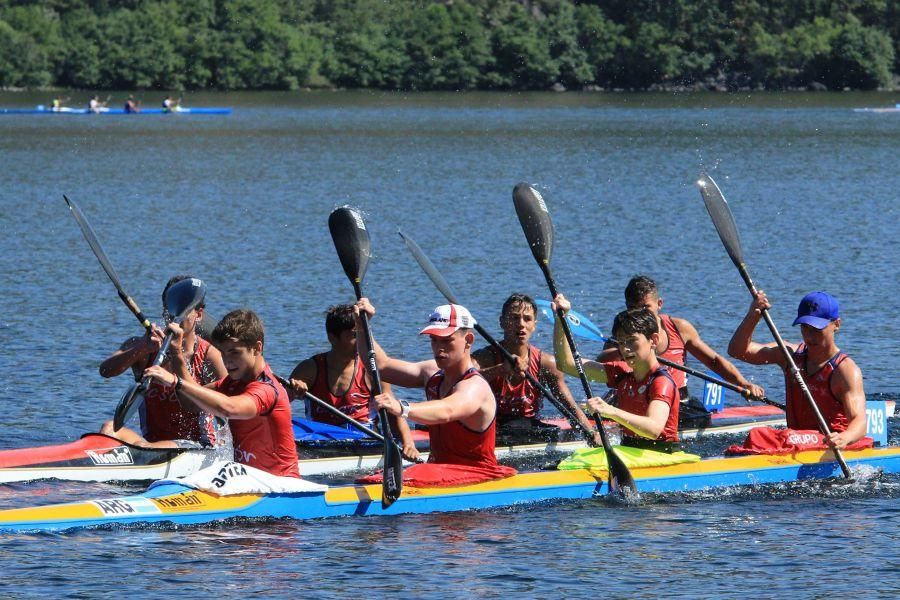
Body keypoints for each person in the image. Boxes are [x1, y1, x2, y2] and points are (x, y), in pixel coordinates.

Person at [355, 300, 516, 486]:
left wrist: (401, 407)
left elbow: (447, 410)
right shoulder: (432, 372)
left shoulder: (475, 387)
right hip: (439, 470)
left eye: (447, 341)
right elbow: (380, 366)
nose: (439, 348)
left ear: (468, 341)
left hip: (478, 474)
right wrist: (362, 326)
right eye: (434, 340)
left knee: (385, 479)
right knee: (374, 478)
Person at [145, 309, 300, 477]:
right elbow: (191, 402)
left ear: (257, 348)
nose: (227, 361)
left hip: (281, 486)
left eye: (234, 352)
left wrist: (175, 381)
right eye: (223, 353)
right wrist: (176, 353)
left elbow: (229, 408)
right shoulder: (233, 383)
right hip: (248, 482)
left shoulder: (266, 390)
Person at [727, 291, 868, 451]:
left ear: (836, 324)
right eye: (805, 328)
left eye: (817, 329)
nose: (809, 336)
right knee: (762, 437)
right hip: (797, 439)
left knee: (759, 435)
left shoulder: (845, 370)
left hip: (833, 442)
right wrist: (753, 316)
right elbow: (737, 351)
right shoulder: (789, 355)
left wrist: (845, 437)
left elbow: (860, 422)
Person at [98, 275, 227, 448]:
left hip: (196, 446)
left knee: (144, 448)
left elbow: (229, 405)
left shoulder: (210, 356)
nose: (175, 319)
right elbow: (106, 371)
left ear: (199, 314)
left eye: (183, 313)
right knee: (108, 429)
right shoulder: (146, 347)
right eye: (170, 311)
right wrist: (141, 348)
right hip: (151, 444)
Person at [598, 275, 765, 405]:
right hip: (634, 399)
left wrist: (743, 384)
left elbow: (714, 361)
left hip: (675, 399)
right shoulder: (620, 336)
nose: (641, 313)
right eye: (634, 308)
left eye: (646, 308)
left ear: (659, 304)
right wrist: (624, 349)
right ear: (627, 307)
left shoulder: (679, 328)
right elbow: (600, 367)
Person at [286, 304, 419, 460]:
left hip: (364, 440)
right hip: (321, 439)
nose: (361, 342)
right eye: (355, 335)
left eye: (362, 335)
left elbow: (393, 411)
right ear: (332, 338)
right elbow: (276, 404)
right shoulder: (309, 369)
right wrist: (292, 390)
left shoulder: (372, 371)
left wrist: (408, 444)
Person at [470, 293, 600, 444]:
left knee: (554, 434)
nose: (521, 324)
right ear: (502, 322)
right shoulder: (485, 358)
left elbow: (568, 406)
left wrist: (591, 433)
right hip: (492, 427)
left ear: (534, 325)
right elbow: (462, 380)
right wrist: (501, 369)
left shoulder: (546, 363)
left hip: (529, 428)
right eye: (514, 318)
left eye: (527, 319)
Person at [555, 294, 680, 449]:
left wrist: (609, 410)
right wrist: (561, 319)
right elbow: (566, 364)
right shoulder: (622, 373)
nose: (625, 349)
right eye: (621, 342)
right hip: (629, 450)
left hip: (660, 454)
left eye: (632, 341)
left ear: (653, 340)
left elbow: (653, 429)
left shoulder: (661, 382)